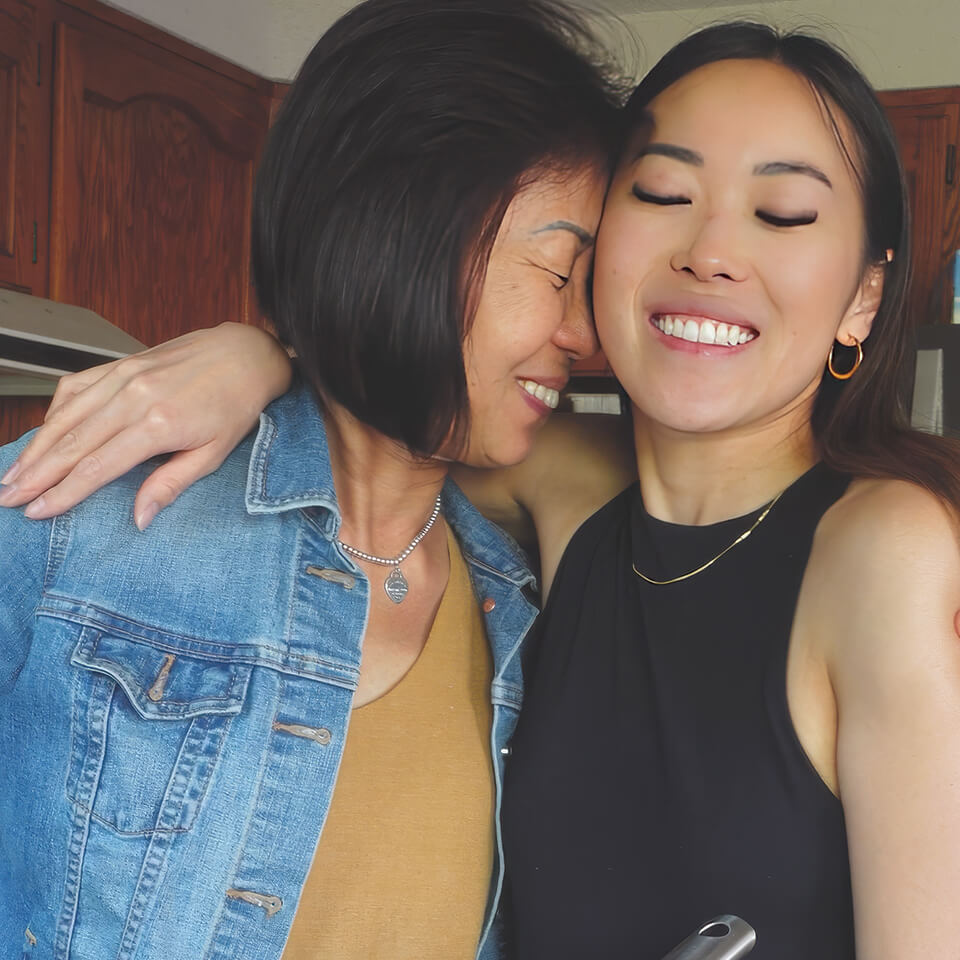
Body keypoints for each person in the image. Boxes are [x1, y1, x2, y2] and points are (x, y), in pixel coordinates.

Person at [5, 18, 960, 960]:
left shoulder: (878, 549)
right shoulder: (551, 488)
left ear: (865, 299)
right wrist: (254, 352)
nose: (710, 251)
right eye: (663, 193)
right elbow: (390, 378)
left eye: (784, 213)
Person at [0, 2, 626, 958]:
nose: (583, 337)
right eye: (557, 272)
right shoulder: (79, 508)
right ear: (403, 232)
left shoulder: (520, 606)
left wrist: (266, 351)